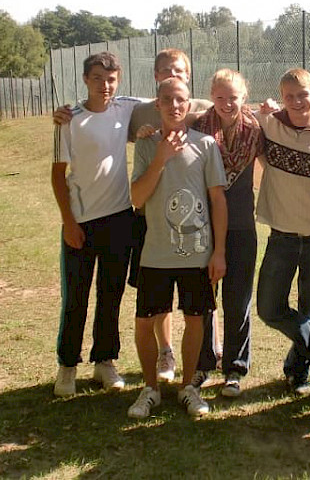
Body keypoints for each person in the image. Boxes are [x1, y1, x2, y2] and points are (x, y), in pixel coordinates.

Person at [126, 78, 227, 418]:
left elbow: (217, 200)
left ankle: (188, 387)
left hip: (197, 254)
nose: (173, 105)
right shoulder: (146, 144)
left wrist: (219, 251)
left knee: (195, 318)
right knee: (145, 321)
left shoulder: (206, 145)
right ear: (158, 104)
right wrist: (161, 158)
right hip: (155, 253)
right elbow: (137, 198)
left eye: (180, 99)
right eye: (166, 99)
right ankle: (150, 389)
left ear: (189, 104)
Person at [51, 52, 136, 397]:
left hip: (119, 219)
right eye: (98, 78)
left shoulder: (126, 108)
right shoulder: (69, 119)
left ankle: (105, 361)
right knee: (76, 298)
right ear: (86, 79)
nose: (106, 85)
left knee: (111, 295)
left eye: (112, 78)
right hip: (81, 223)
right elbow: (58, 177)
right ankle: (67, 366)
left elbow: (177, 97)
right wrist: (68, 222)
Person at [255, 68, 310, 394]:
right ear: (281, 97)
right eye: (289, 96)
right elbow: (226, 109)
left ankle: (298, 372)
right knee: (269, 308)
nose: (296, 101)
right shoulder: (270, 124)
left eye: (302, 94)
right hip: (282, 236)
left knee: (309, 312)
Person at [190, 69, 264, 397]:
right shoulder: (197, 127)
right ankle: (203, 363)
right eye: (219, 97)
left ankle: (235, 367)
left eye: (232, 97)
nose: (226, 103)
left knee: (238, 300)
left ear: (244, 97)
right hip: (202, 225)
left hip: (241, 227)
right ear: (210, 96)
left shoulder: (257, 129)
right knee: (205, 298)